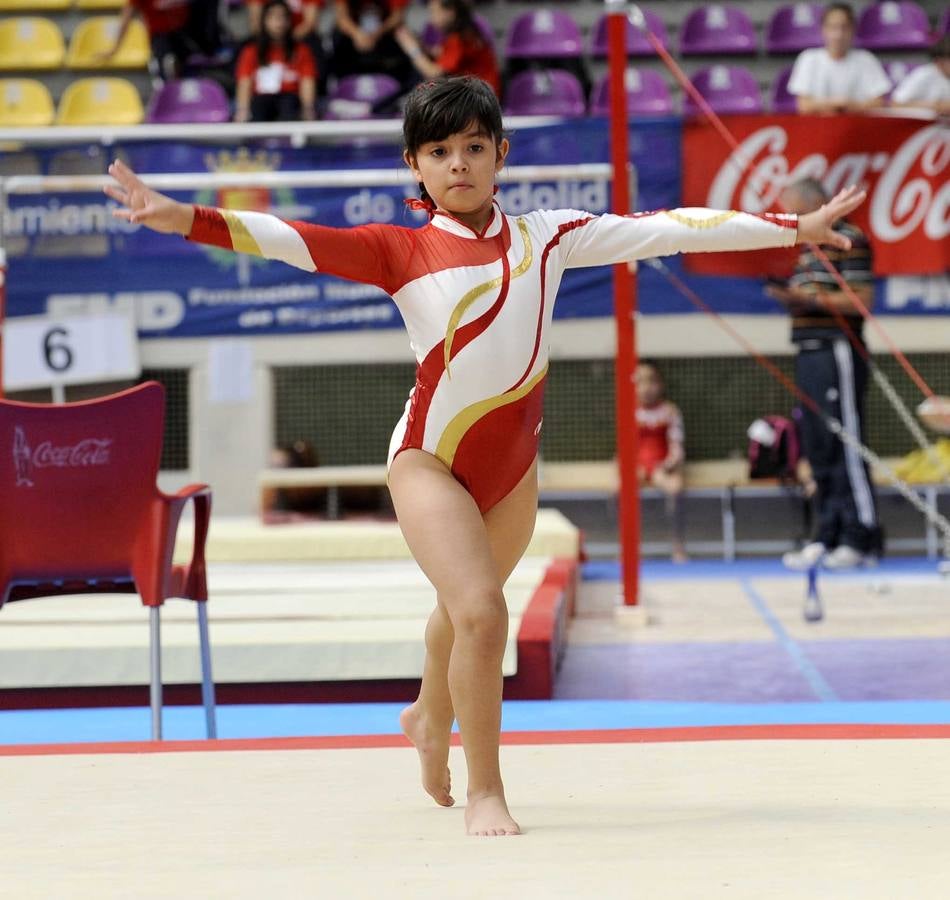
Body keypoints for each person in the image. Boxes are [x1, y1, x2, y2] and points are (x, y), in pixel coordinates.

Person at [104, 77, 865, 836]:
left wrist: (791, 228)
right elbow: (286, 238)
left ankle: (427, 717)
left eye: (474, 147)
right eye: (440, 152)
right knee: (481, 611)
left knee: (458, 612)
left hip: (511, 473)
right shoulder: (396, 250)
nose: (459, 164)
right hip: (430, 460)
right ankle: (485, 791)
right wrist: (181, 218)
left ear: (501, 153)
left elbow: (670, 227)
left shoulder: (551, 237)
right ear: (416, 165)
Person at [767, 177, 880, 571]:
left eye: (794, 213)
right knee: (817, 445)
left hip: (839, 350)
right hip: (810, 350)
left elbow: (861, 299)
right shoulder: (805, 250)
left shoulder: (848, 239)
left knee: (845, 441)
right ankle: (827, 533)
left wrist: (804, 298)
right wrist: (791, 300)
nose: (789, 221)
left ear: (815, 206)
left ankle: (860, 535)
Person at [787, 2, 891, 115]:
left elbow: (880, 102)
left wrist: (849, 105)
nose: (838, 34)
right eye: (833, 27)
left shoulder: (866, 59)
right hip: (818, 128)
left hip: (858, 126)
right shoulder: (808, 58)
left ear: (853, 29)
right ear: (823, 29)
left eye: (844, 27)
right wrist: (839, 104)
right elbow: (804, 106)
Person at [635, 361, 687, 563]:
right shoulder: (629, 411)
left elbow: (677, 446)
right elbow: (623, 448)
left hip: (660, 466)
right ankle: (628, 545)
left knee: (676, 488)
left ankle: (677, 544)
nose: (646, 388)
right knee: (619, 490)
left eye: (651, 381)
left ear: (660, 384)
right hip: (637, 466)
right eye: (641, 382)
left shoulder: (670, 411)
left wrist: (666, 466)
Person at [394, 0, 500, 97]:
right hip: (475, 94)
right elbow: (440, 53)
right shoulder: (466, 33)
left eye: (434, 12)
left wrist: (412, 49)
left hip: (479, 99)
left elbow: (434, 74)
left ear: (450, 12)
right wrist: (421, 46)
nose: (431, 19)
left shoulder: (459, 39)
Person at [235, 0, 317, 122]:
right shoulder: (251, 51)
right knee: (258, 107)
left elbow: (307, 82)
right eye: (273, 17)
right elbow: (244, 82)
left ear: (289, 21)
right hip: (261, 99)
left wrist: (308, 108)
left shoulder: (302, 51)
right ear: (264, 21)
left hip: (289, 99)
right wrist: (242, 110)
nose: (279, 22)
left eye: (283, 17)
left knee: (289, 105)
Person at [102, 0, 199, 80]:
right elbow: (126, 17)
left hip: (186, 33)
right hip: (159, 36)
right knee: (162, 64)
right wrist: (115, 48)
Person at [330, 0, 411, 85]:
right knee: (337, 35)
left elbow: (397, 16)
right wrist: (357, 34)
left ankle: (397, 82)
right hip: (354, 33)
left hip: (385, 31)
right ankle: (344, 83)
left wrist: (377, 34)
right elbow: (341, 17)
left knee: (401, 33)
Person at [890, 36, 950, 115]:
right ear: (939, 61)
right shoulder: (923, 75)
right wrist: (937, 106)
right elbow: (896, 104)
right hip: (927, 125)